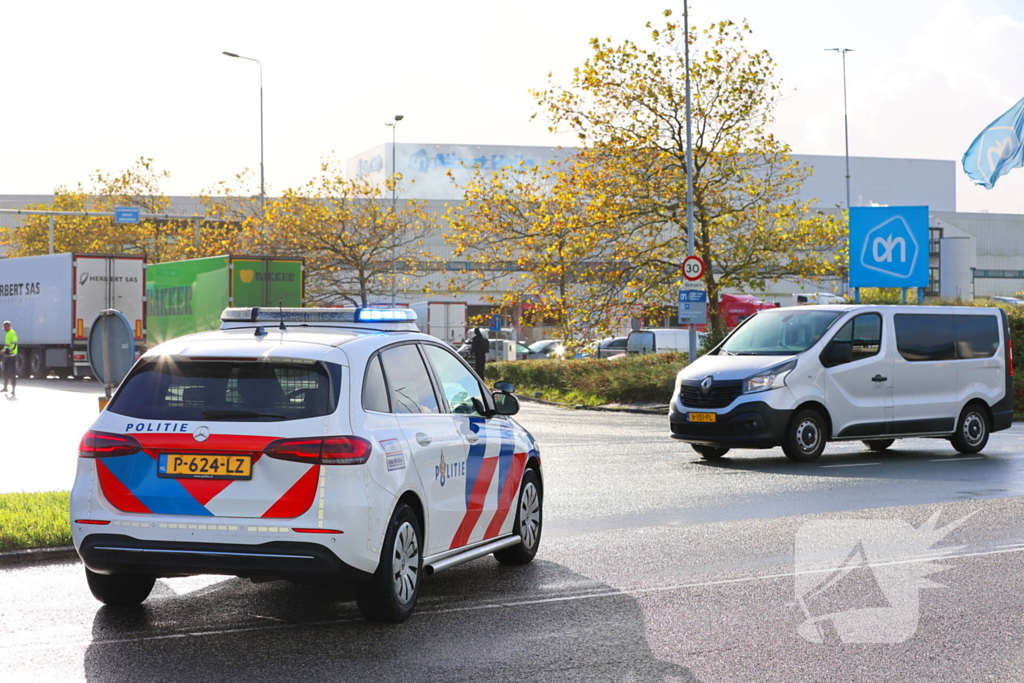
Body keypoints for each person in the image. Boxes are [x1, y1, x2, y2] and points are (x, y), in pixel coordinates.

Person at [2, 320, 18, 396]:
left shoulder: (12, 333)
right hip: (7, 356)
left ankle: (13, 389)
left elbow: (14, 345)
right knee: (4, 372)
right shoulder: (7, 334)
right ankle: (5, 387)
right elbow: (7, 345)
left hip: (12, 356)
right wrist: (3, 350)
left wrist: (7, 351)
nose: (4, 329)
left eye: (5, 327)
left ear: (8, 326)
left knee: (12, 373)